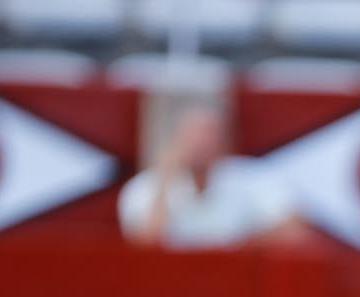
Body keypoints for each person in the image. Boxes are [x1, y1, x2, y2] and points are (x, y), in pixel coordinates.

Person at [117, 104, 300, 250]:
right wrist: (164, 180)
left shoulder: (252, 177)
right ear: (175, 139)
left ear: (226, 140)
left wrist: (229, 251)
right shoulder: (144, 186)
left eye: (210, 134)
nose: (202, 143)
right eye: (193, 135)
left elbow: (293, 231)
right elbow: (145, 247)